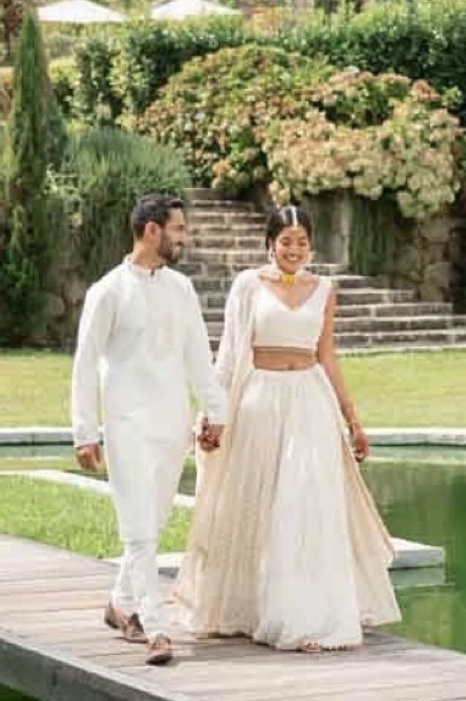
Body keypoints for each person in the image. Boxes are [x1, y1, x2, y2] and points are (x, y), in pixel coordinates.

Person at [173, 204, 401, 652]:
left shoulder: (324, 289)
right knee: (259, 506)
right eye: (286, 241)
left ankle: (306, 619)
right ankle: (252, 610)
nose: (294, 250)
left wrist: (352, 420)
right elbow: (229, 354)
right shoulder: (248, 285)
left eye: (302, 242)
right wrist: (213, 414)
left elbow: (327, 355)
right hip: (260, 402)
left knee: (305, 505)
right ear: (270, 244)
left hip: (310, 404)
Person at [70, 193, 229, 666]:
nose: (185, 238)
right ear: (152, 230)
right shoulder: (108, 291)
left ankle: (120, 604)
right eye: (178, 229)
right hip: (126, 426)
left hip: (172, 424)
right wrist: (85, 431)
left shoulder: (181, 289)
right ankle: (156, 629)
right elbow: (84, 364)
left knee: (152, 524)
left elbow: (198, 355)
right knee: (139, 531)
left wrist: (215, 411)